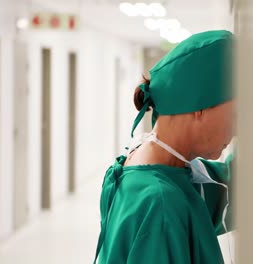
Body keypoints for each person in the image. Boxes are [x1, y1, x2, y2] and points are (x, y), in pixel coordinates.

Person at [94, 30, 235, 264]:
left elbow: (235, 189)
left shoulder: (144, 167)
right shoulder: (161, 205)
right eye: (236, 115)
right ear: (199, 107)